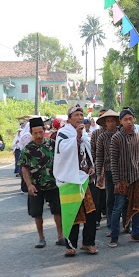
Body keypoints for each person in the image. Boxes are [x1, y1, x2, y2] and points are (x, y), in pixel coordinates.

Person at [54, 106, 98, 257]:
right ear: (69, 119)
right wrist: (77, 137)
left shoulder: (84, 133)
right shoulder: (63, 133)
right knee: (72, 213)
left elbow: (87, 153)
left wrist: (92, 167)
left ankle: (88, 243)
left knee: (91, 212)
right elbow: (64, 152)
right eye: (77, 115)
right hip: (70, 179)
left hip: (85, 179)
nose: (80, 117)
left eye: (81, 115)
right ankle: (70, 245)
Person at [19, 117, 64, 248]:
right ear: (31, 133)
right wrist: (29, 185)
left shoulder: (52, 144)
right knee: (37, 213)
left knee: (57, 211)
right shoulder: (28, 149)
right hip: (36, 186)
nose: (38, 135)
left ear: (44, 130)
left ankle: (60, 236)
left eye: (40, 132)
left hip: (53, 184)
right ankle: (41, 238)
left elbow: (62, 161)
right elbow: (24, 169)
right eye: (35, 133)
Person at [109, 107, 139, 247]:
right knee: (118, 207)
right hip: (122, 180)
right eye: (125, 119)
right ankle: (114, 237)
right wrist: (116, 181)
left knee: (137, 206)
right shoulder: (116, 138)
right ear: (120, 121)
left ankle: (135, 233)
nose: (128, 121)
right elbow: (113, 161)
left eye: (130, 118)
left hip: (138, 177)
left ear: (134, 120)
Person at [95, 110, 127, 236]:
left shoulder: (123, 134)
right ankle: (110, 224)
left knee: (125, 197)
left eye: (113, 120)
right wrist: (98, 174)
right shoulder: (102, 137)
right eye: (108, 121)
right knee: (110, 199)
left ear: (117, 122)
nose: (111, 123)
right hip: (108, 170)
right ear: (105, 123)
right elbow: (99, 156)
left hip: (123, 170)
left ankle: (126, 223)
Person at [90, 108, 108, 230]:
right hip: (99, 167)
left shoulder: (116, 132)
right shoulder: (96, 134)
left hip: (113, 168)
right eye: (100, 116)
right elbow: (92, 151)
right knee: (98, 195)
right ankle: (96, 219)